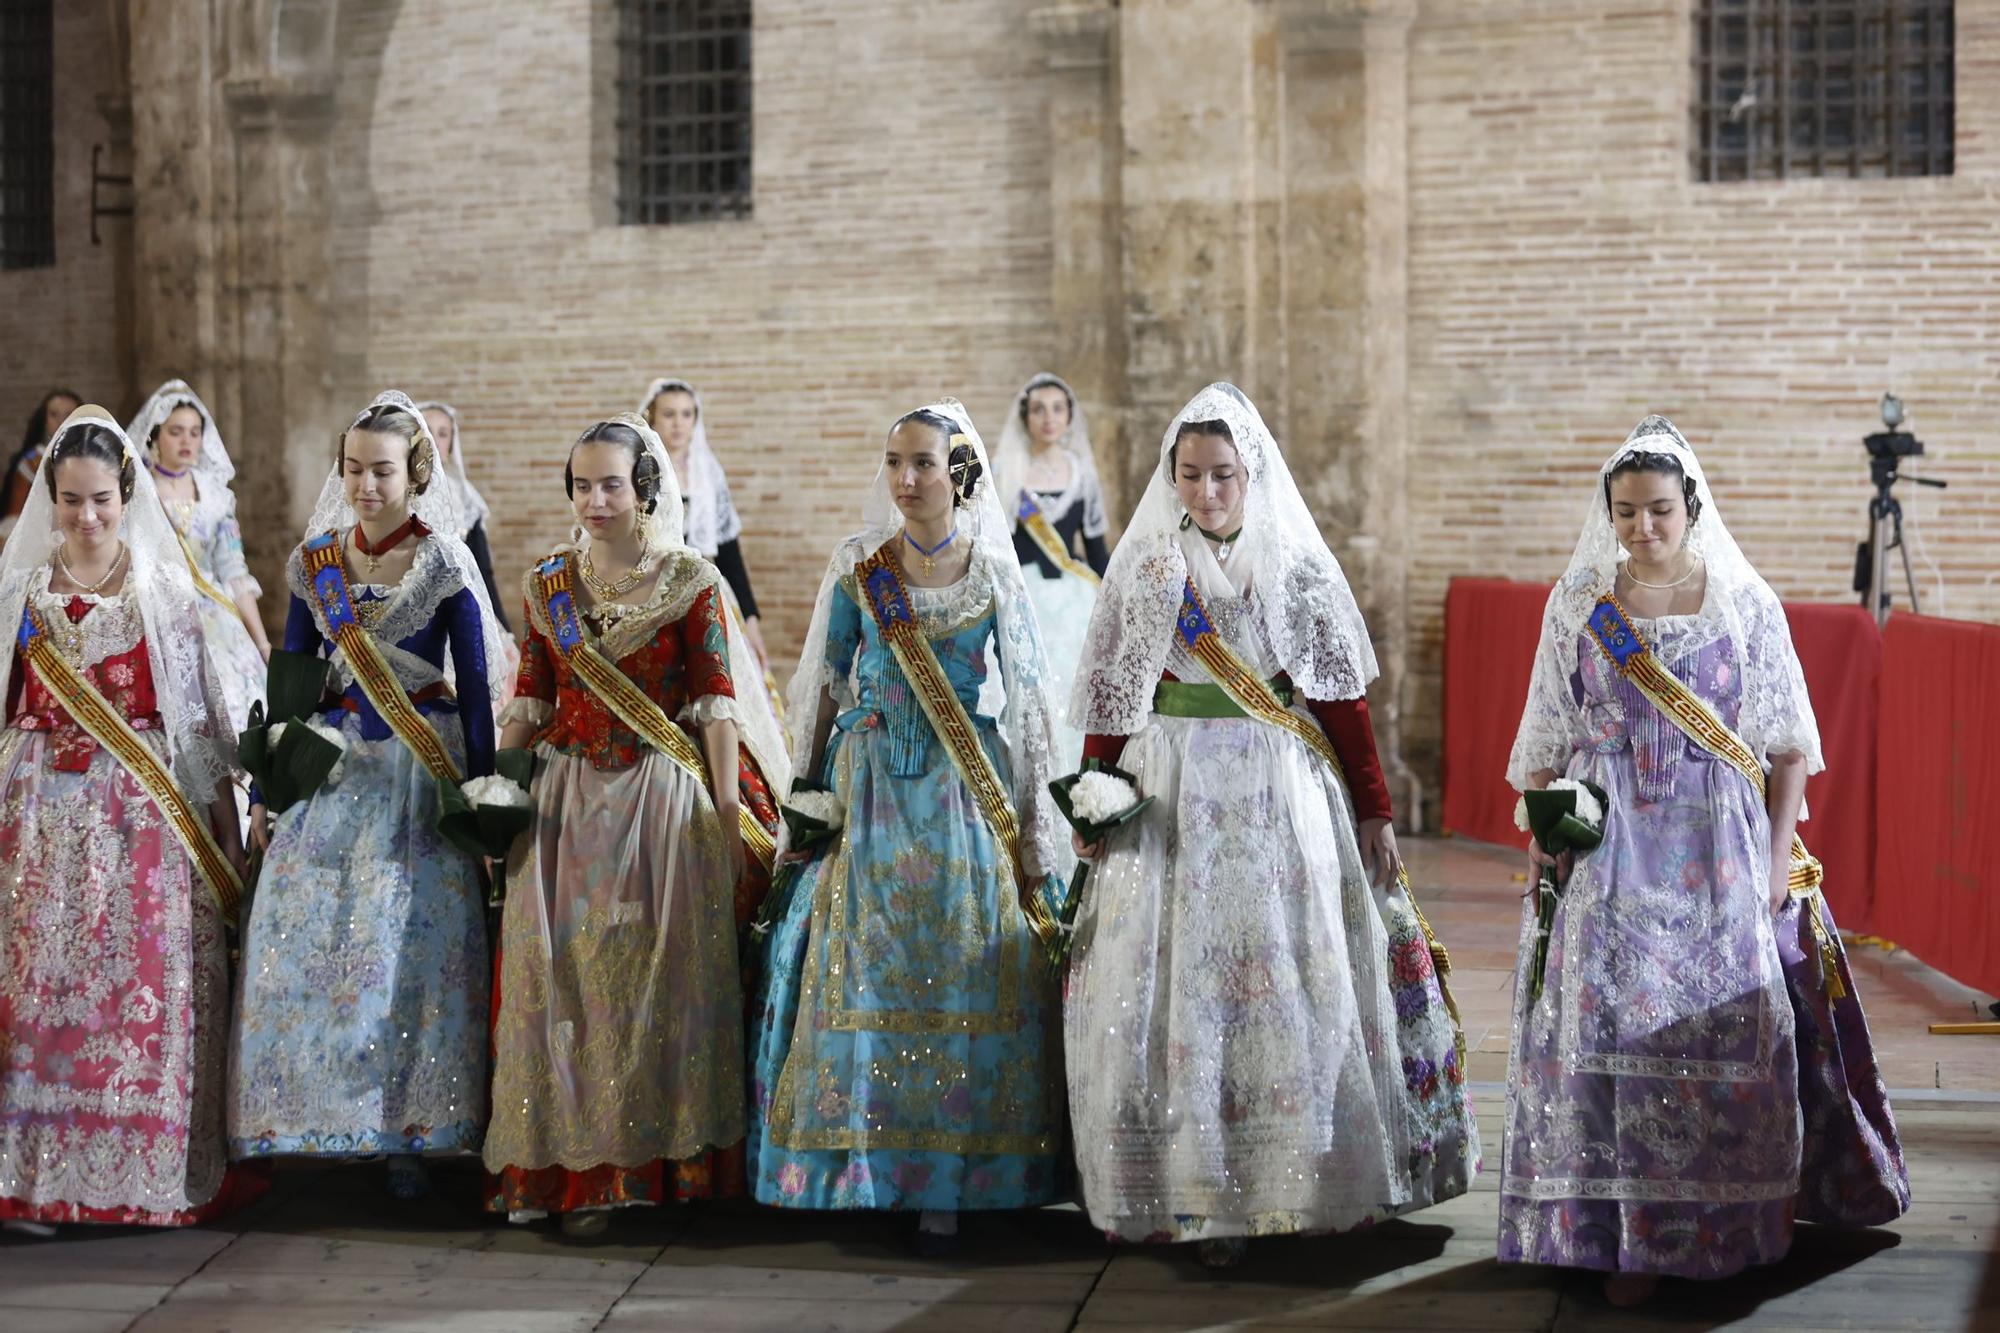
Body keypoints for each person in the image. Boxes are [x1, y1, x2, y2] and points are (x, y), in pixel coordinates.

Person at [1063, 382, 1477, 1268]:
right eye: (1190, 475)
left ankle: (1301, 1179)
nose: (1207, 492)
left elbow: (1341, 698)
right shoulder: (1146, 570)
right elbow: (1114, 692)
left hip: (1279, 788)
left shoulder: (1296, 567)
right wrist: (1095, 789)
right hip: (1170, 786)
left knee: (1293, 973)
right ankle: (1197, 1191)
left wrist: (1375, 808)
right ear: (1170, 477)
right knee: (1180, 987)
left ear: (1251, 474)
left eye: (1222, 474)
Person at [1501, 415, 1908, 1306]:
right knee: (1605, 1037)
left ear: (1691, 506)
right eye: (1624, 512)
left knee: (1723, 1034)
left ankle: (1730, 1224)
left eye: (1657, 510)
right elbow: (1544, 739)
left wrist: (1772, 863)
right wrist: (1547, 836)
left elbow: (1790, 746)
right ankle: (1620, 1237)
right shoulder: (1577, 603)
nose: (1641, 528)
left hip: (1716, 848)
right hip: (1609, 848)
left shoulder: (1741, 603)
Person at [748, 399, 1069, 1255]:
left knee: (961, 965)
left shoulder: (994, 572)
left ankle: (953, 1175)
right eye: (895, 462)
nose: (905, 479)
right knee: (861, 965)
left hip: (964, 792)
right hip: (873, 788)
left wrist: (1037, 828)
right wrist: (805, 796)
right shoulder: (859, 565)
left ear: (959, 471)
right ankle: (858, 1164)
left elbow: (1032, 707)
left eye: (923, 462)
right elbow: (820, 681)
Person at [483, 413, 779, 1237]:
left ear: (646, 486)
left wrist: (725, 805)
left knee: (659, 982)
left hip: (659, 798)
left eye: (611, 483)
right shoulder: (549, 582)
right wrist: (499, 796)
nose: (595, 499)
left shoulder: (690, 578)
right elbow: (529, 700)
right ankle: (571, 1167)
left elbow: (716, 703)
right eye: (581, 484)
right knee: (565, 980)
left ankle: (657, 1164)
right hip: (565, 801)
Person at [229, 390, 507, 1200]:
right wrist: (266, 789)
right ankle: (308, 1114)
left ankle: (409, 1131)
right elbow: (290, 680)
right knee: (301, 917)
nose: (364, 485)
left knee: (408, 947)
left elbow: (478, 686)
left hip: (420, 769)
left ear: (416, 472)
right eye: (352, 469)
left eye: (381, 470)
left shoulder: (446, 562)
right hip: (335, 764)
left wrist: (484, 798)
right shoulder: (317, 561)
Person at [0, 406, 258, 1231]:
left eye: (101, 500)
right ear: (49, 497)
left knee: (137, 983)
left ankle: (134, 1165)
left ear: (126, 493)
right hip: (36, 811)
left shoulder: (162, 591)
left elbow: (201, 724)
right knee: (36, 989)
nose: (85, 518)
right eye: (71, 500)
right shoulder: (22, 592)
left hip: (138, 817)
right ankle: (32, 1175)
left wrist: (226, 829)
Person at [638, 379, 790, 754]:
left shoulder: (709, 473)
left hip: (710, 588)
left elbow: (728, 550)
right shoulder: (642, 473)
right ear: (652, 418)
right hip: (655, 587)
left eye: (687, 414)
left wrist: (751, 619)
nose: (678, 423)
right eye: (669, 414)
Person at [127, 380, 272, 733]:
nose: (187, 441)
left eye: (194, 432)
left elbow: (234, 570)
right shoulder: (136, 490)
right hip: (156, 608)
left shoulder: (216, 496)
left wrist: (262, 642)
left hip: (214, 614)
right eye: (176, 432)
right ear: (155, 435)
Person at [992, 373, 1112, 769]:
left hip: (1075, 600)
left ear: (1069, 416)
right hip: (1023, 596)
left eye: (1057, 409)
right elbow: (995, 547)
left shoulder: (1081, 472)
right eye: (1039, 409)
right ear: (1025, 416)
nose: (1048, 418)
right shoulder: (1008, 470)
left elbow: (1095, 547)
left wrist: (1116, 599)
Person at [415, 401, 511, 632]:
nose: (435, 440)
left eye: (443, 434)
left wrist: (501, 625)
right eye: (426, 430)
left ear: (451, 443)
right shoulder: (394, 490)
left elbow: (482, 569)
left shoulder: (466, 500)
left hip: (458, 609)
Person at [1, 387, 82, 539]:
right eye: (53, 414)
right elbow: (14, 514)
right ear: (45, 420)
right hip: (40, 537)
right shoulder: (32, 461)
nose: (61, 421)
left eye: (68, 414)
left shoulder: (96, 458)